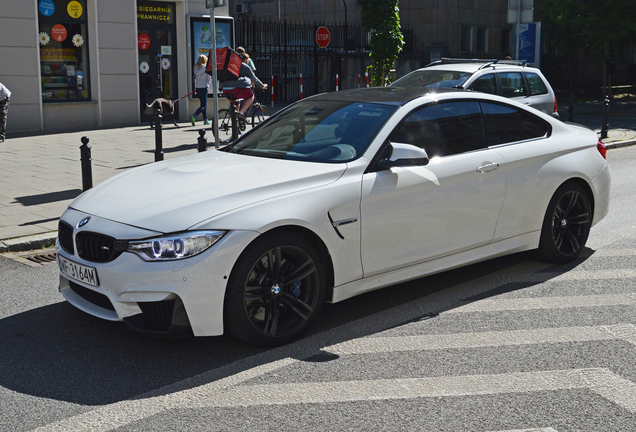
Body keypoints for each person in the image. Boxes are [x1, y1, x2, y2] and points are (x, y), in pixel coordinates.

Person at [191, 54, 212, 126]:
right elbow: (208, 78)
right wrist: (208, 85)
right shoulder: (206, 68)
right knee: (204, 105)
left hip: (198, 88)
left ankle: (205, 119)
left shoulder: (196, 68)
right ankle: (194, 115)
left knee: (202, 104)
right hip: (204, 87)